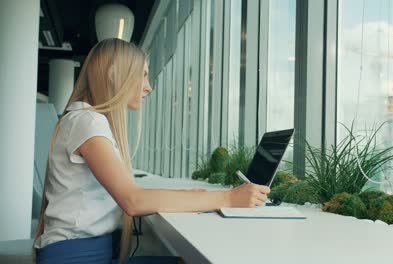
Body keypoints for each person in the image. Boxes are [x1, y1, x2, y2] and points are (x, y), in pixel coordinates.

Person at [33, 38, 270, 264]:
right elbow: (133, 201)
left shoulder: (84, 118)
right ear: (115, 75)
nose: (149, 87)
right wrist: (228, 198)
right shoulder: (86, 121)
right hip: (76, 256)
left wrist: (194, 196)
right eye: (143, 75)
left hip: (83, 252)